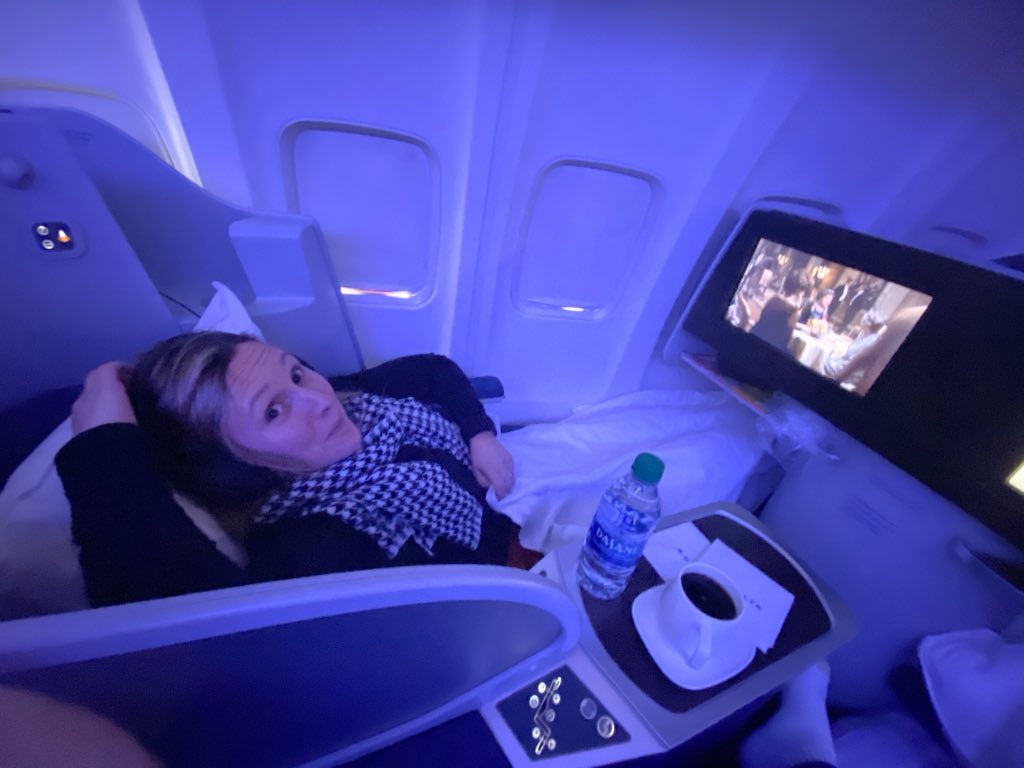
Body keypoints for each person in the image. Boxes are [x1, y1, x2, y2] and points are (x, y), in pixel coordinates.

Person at [55, 332, 525, 607]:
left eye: (296, 372)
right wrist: (105, 445)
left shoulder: (345, 401)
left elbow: (432, 371)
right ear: (231, 467)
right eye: (273, 412)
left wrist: (478, 436)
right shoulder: (317, 548)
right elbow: (177, 621)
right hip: (504, 583)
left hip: (511, 505)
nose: (319, 400)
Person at [749, 270, 809, 354]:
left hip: (754, 336)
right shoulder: (793, 312)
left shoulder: (774, 299)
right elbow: (786, 340)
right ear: (799, 291)